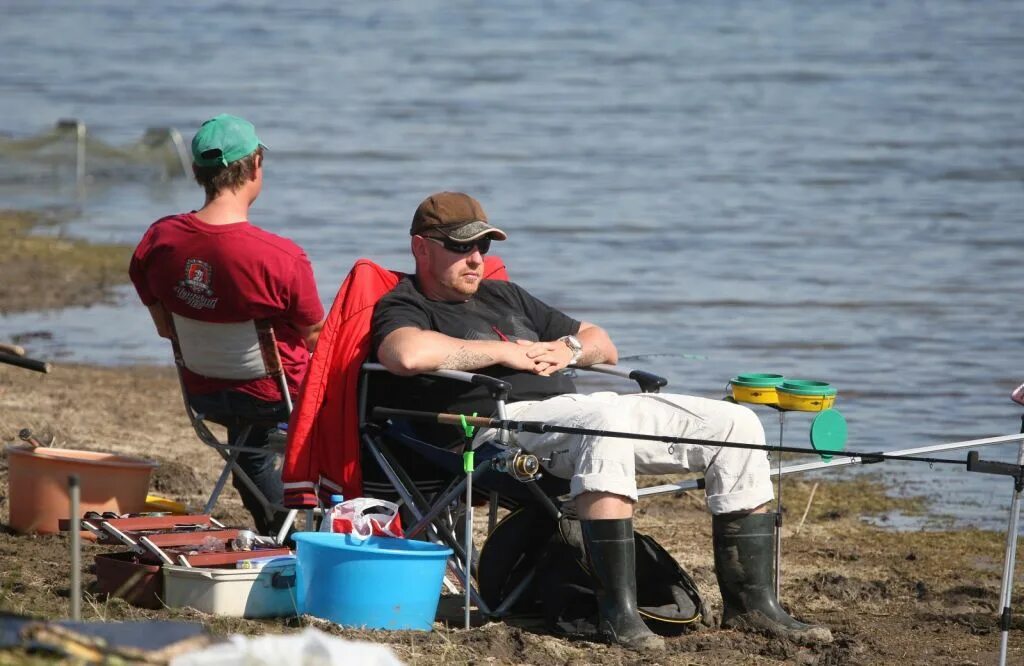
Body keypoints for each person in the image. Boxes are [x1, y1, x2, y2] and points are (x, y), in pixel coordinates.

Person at [370, 191, 831, 651]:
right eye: (460, 247)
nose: (475, 260)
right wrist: (504, 352)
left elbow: (600, 343)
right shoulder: (406, 303)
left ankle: (753, 606)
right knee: (603, 423)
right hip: (499, 429)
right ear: (421, 247)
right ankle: (619, 615)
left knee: (737, 423)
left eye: (483, 248)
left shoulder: (505, 294)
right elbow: (405, 353)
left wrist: (567, 349)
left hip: (576, 415)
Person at [129, 114, 324, 536]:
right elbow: (315, 338)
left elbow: (167, 328)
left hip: (206, 392)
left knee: (250, 444)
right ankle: (323, 524)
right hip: (277, 398)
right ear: (255, 165)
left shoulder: (159, 240)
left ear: (198, 172)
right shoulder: (280, 257)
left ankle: (281, 527)